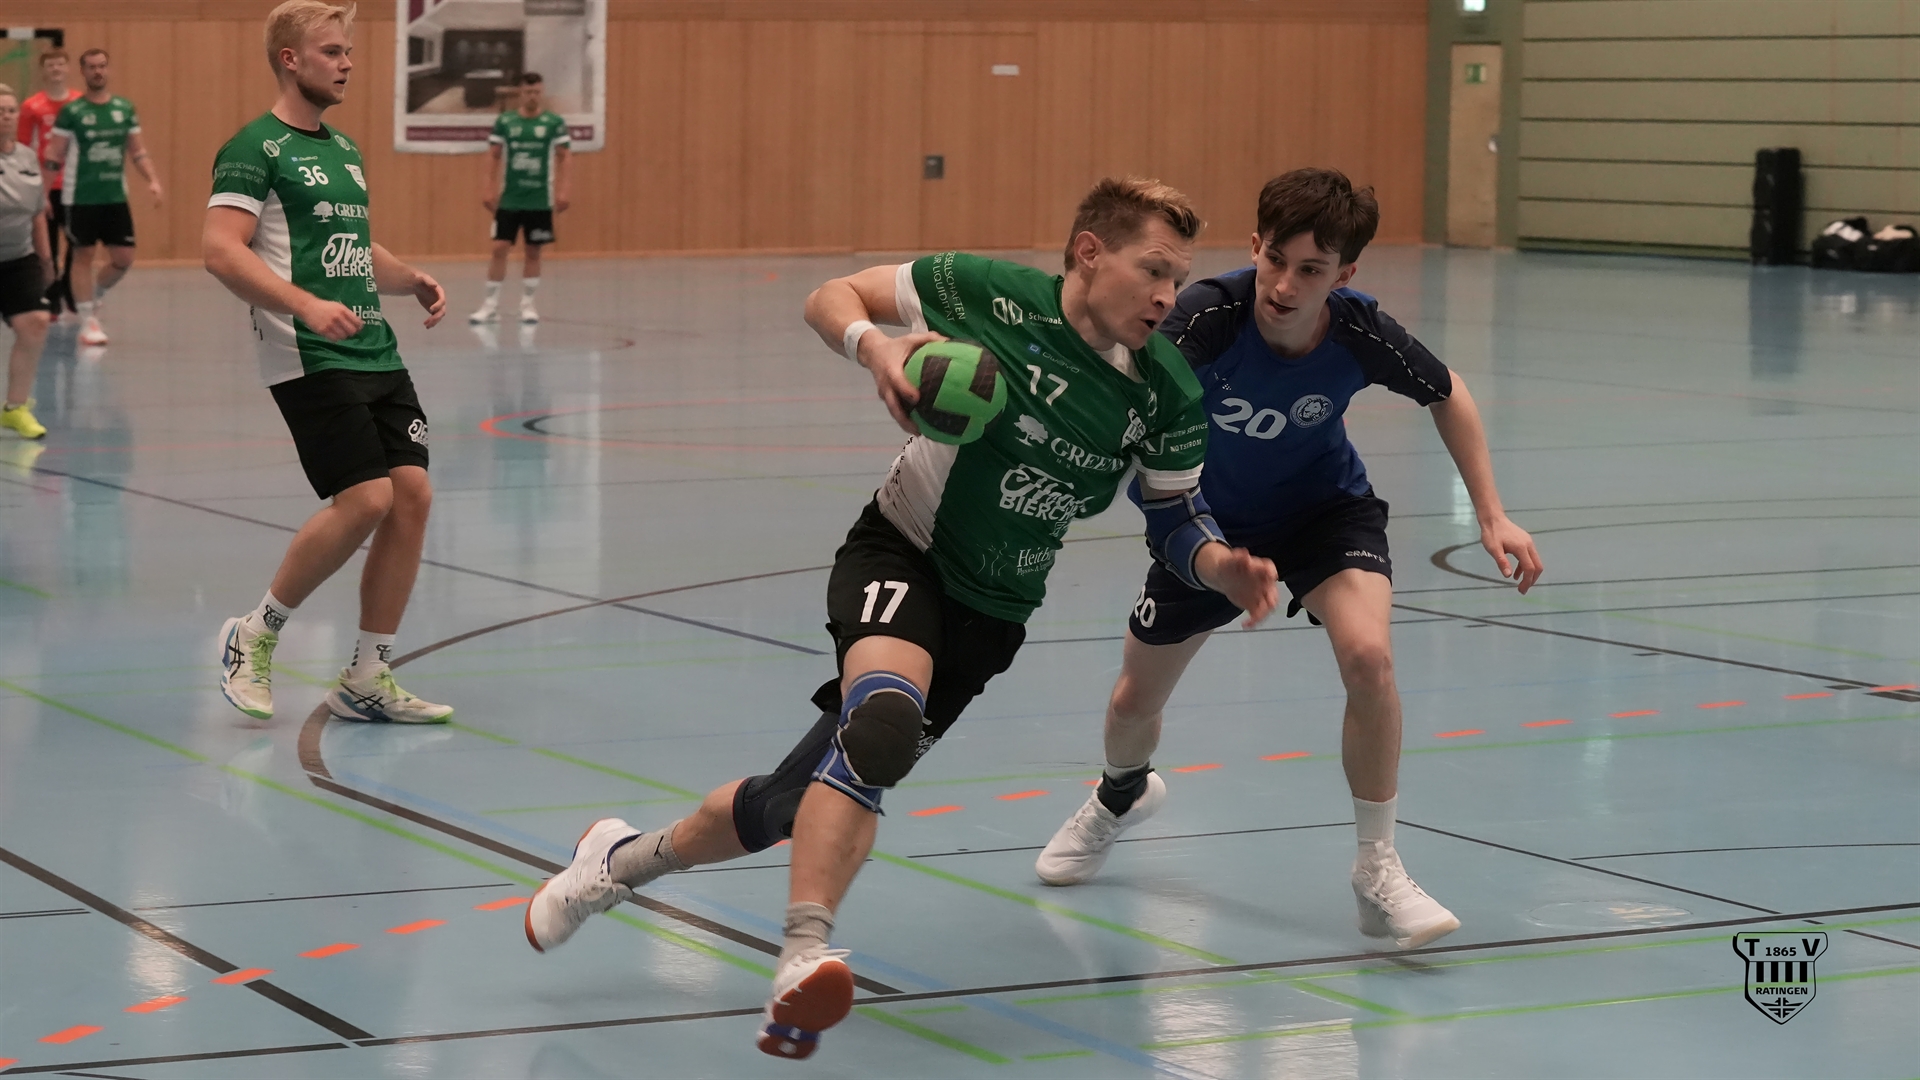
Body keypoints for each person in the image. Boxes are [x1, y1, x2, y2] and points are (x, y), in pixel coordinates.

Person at [522, 178, 1281, 1060]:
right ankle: (802, 958)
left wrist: (1221, 565)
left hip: (992, 616)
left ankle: (618, 861)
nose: (1167, 295)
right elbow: (831, 295)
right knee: (881, 724)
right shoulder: (990, 294)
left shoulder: (1165, 392)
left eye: (1177, 277)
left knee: (789, 802)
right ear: (1088, 253)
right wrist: (877, 349)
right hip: (903, 551)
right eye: (1152, 270)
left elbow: (1176, 520)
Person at [1031, 169, 1545, 952]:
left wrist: (1492, 513)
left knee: (1369, 658)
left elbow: (1447, 391)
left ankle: (1378, 868)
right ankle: (1121, 792)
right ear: (1254, 247)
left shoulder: (1360, 332)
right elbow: (1132, 412)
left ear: (1344, 274)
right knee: (1134, 703)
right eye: (1275, 259)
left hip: (1322, 516)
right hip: (1207, 530)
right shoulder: (1207, 320)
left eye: (1310, 270)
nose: (1284, 285)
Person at [204, 0, 454, 726]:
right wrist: (305, 306)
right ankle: (255, 633)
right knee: (366, 499)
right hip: (307, 351)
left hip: (374, 347)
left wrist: (409, 279)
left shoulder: (343, 150)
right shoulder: (254, 147)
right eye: (332, 51)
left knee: (412, 497)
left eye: (347, 51)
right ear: (291, 59)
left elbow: (353, 245)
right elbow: (219, 249)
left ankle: (367, 676)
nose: (347, 63)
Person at [41, 48, 162, 347]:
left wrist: (152, 179)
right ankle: (87, 321)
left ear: (108, 69)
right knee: (82, 255)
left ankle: (93, 296)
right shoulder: (72, 112)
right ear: (83, 72)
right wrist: (42, 194)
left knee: (124, 257)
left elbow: (137, 151)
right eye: (92, 67)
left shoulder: (124, 108)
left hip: (114, 197)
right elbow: (54, 154)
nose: (98, 71)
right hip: (80, 197)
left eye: (102, 66)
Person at [469, 72, 570, 325]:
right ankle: (490, 305)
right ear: (521, 93)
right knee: (499, 248)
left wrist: (564, 190)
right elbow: (493, 155)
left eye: (537, 92)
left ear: (541, 93)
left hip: (539, 199)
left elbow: (564, 156)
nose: (532, 96)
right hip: (510, 199)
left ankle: (527, 305)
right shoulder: (506, 121)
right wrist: (488, 188)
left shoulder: (553, 123)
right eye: (528, 92)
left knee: (533, 251)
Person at [0, 84, 54, 440]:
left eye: (10, 110)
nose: (5, 116)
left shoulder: (26, 157)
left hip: (18, 257)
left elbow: (36, 213)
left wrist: (46, 259)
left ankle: (15, 408)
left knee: (35, 322)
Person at [15, 50, 77, 317]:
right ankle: (51, 295)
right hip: (46, 186)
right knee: (46, 245)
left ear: (67, 68)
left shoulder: (78, 104)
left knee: (78, 241)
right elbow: (23, 147)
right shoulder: (32, 106)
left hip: (75, 184)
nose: (56, 69)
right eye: (50, 65)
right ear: (43, 70)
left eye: (60, 64)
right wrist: (35, 186)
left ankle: (71, 288)